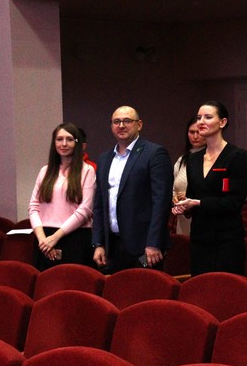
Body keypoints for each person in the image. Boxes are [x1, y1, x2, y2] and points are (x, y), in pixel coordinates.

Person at [172, 101, 247, 275]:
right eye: (199, 117)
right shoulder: (193, 159)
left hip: (227, 238)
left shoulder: (237, 156)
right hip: (199, 237)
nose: (201, 122)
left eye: (208, 117)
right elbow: (192, 197)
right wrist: (184, 206)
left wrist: (198, 203)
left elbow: (234, 203)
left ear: (222, 122)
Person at [92, 106, 173, 273]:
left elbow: (161, 202)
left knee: (145, 288)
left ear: (139, 124)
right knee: (115, 289)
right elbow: (99, 204)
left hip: (144, 247)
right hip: (112, 246)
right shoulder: (105, 158)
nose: (121, 125)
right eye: (116, 122)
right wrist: (98, 243)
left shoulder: (154, 153)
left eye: (127, 121)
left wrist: (154, 243)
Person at [28, 123, 96, 270]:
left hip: (74, 237)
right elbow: (33, 207)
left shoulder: (87, 171)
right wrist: (42, 239)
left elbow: (85, 210)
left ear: (77, 143)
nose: (64, 144)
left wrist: (55, 237)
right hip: (44, 239)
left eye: (69, 139)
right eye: (59, 139)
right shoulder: (45, 171)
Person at [171, 118, 205, 235]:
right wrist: (175, 199)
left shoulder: (212, 158)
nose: (195, 136)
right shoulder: (182, 160)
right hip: (183, 216)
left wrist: (190, 196)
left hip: (203, 215)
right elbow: (174, 188)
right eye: (191, 132)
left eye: (199, 132)